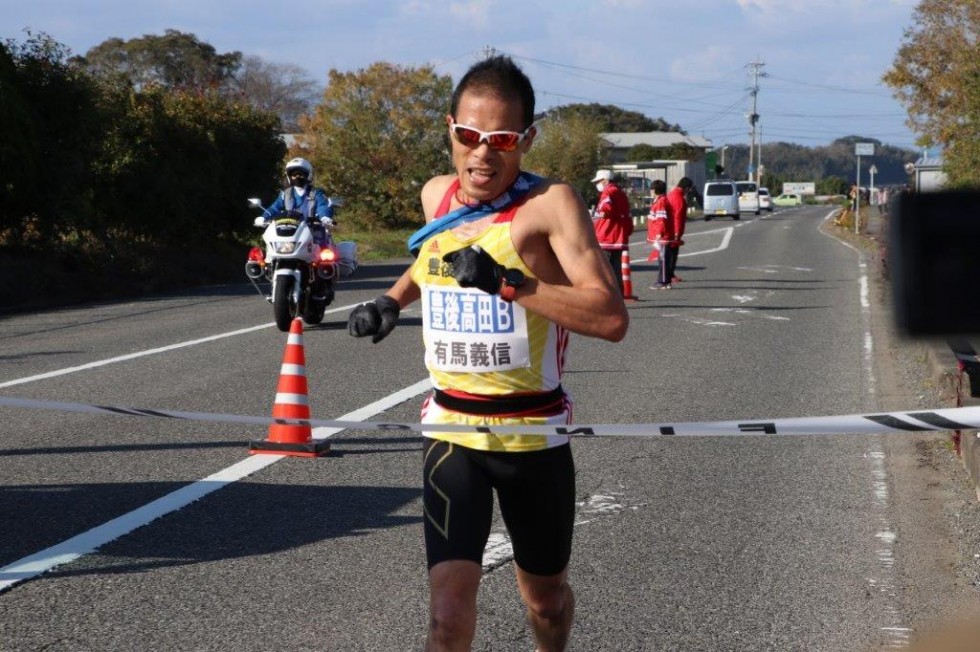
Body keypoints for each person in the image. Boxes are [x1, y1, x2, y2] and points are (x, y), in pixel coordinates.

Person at [347, 54, 628, 651]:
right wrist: (393, 299)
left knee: (544, 601)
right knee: (447, 615)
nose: (482, 154)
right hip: (453, 430)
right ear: (450, 128)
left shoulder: (550, 205)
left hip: (533, 436)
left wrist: (510, 283)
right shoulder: (435, 196)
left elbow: (609, 317)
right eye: (469, 136)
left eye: (501, 139)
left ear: (525, 139)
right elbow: (435, 260)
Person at [260, 157, 335, 245]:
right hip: (289, 231)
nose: (297, 177)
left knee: (325, 254)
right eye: (294, 175)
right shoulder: (285, 194)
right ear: (289, 177)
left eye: (301, 174)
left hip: (313, 230)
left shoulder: (316, 193)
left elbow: (322, 206)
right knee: (272, 251)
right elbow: (275, 207)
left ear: (308, 175)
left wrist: (324, 217)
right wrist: (264, 217)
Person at [590, 169, 633, 295]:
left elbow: (606, 207)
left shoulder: (608, 191)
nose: (597, 184)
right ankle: (618, 297)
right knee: (616, 269)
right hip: (618, 236)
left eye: (598, 181)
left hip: (607, 236)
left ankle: (608, 297)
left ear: (605, 180)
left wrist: (600, 213)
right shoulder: (621, 193)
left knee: (604, 270)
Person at [664, 177, 693, 284]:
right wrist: (677, 233)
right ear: (687, 188)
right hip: (673, 230)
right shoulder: (680, 199)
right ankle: (669, 275)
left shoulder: (671, 194)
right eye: (689, 190)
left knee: (667, 254)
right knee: (672, 254)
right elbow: (678, 218)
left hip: (667, 229)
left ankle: (669, 274)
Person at [647, 179, 673, 289]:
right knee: (664, 259)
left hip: (662, 237)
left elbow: (661, 219)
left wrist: (659, 233)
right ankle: (666, 281)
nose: (650, 192)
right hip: (662, 236)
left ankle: (662, 281)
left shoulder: (661, 202)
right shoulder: (659, 201)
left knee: (663, 260)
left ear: (654, 190)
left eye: (651, 189)